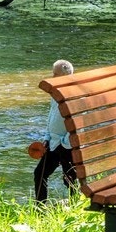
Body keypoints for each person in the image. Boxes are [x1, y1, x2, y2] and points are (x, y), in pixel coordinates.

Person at [33, 59, 78, 203]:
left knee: (69, 179)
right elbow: (51, 117)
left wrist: (65, 143)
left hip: (66, 145)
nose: (52, 78)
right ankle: (40, 207)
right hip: (52, 142)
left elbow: (78, 122)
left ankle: (75, 206)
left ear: (65, 76)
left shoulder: (74, 95)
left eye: (55, 74)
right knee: (39, 173)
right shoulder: (55, 94)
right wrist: (46, 138)